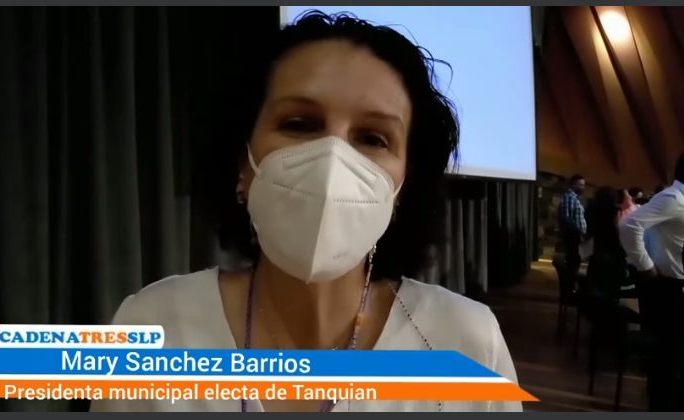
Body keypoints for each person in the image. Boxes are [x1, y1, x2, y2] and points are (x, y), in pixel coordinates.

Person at [91, 12, 520, 412]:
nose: (332, 159)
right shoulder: (151, 328)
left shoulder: (466, 343)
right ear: (242, 164)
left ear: (403, 188)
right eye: (299, 124)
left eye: (373, 138)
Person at [619, 154, 684, 411]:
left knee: (674, 360)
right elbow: (629, 226)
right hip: (671, 289)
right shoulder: (673, 199)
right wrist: (645, 266)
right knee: (668, 360)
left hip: (675, 286)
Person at [558, 175, 587, 276]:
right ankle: (570, 281)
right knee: (573, 260)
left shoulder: (576, 199)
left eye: (583, 185)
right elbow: (566, 218)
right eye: (580, 185)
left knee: (575, 260)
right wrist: (577, 232)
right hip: (572, 236)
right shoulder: (570, 198)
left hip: (577, 236)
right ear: (573, 185)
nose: (583, 187)